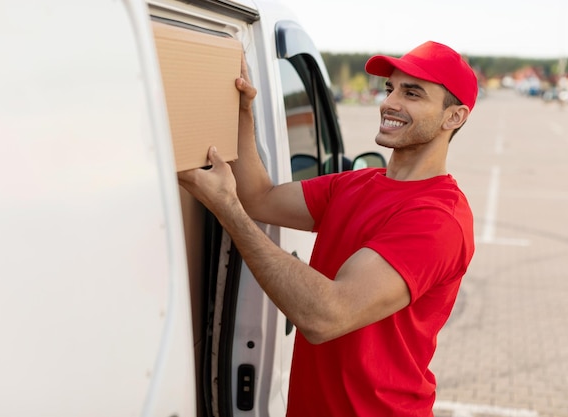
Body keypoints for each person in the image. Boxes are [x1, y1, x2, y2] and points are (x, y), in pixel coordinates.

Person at [179, 40, 478, 417]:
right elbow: (260, 197)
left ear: (454, 117)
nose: (389, 103)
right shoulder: (355, 184)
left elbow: (326, 315)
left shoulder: (437, 219)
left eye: (412, 93)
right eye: (390, 89)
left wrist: (228, 211)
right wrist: (242, 114)